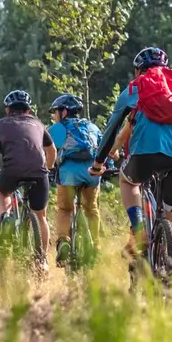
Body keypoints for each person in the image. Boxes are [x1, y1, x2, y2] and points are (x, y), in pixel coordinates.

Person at [91, 47, 172, 310]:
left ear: (137, 70)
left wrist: (98, 162)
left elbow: (112, 128)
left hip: (144, 157)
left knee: (128, 181)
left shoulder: (134, 89)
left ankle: (139, 228)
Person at [0, 90, 55, 263]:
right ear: (28, 110)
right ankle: (42, 261)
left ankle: (5, 218)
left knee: (1, 192)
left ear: (8, 110)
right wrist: (49, 167)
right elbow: (51, 150)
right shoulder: (38, 124)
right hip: (39, 173)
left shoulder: (1, 124)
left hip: (12, 171)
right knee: (41, 217)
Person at [48, 93, 104, 266]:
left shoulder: (57, 128)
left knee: (65, 209)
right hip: (91, 173)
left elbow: (47, 151)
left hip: (68, 175)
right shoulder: (92, 127)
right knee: (91, 208)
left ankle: (63, 241)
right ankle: (96, 245)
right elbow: (106, 150)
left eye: (55, 112)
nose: (54, 116)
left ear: (64, 112)